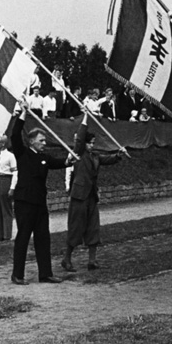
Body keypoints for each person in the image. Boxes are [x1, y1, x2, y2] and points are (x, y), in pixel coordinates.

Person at [10, 102, 72, 285]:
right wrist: (22, 114)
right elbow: (14, 135)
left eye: (45, 141)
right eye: (41, 141)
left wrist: (70, 160)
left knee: (43, 238)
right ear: (31, 141)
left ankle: (45, 273)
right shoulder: (22, 153)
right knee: (23, 237)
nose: (44, 144)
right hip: (24, 202)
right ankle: (17, 275)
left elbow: (59, 163)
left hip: (39, 203)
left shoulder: (44, 157)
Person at [61, 112, 128, 272]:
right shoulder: (78, 153)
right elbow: (79, 139)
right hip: (79, 196)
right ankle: (66, 259)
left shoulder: (95, 155)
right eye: (90, 143)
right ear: (84, 143)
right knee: (76, 228)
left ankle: (92, 260)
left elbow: (108, 159)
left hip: (91, 196)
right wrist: (86, 118)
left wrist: (119, 155)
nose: (92, 145)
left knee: (93, 227)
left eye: (93, 143)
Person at [0, 135, 17, 242]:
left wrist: (12, 187)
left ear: (3, 144)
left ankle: (7, 235)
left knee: (6, 208)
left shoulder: (10, 156)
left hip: (5, 179)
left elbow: (15, 172)